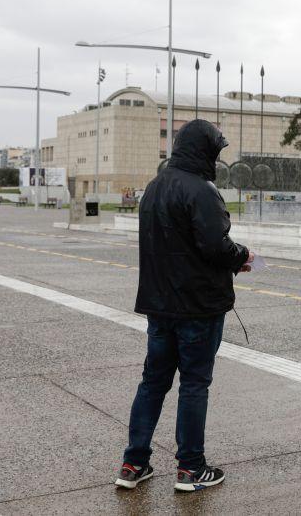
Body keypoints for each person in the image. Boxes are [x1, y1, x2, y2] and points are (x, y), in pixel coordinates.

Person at [115, 119, 252, 493]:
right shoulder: (202, 190)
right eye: (215, 150)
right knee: (194, 384)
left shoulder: (155, 187)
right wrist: (241, 255)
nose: (218, 157)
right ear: (203, 150)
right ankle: (190, 469)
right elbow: (214, 245)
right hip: (198, 306)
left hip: (160, 306)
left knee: (152, 383)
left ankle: (133, 463)